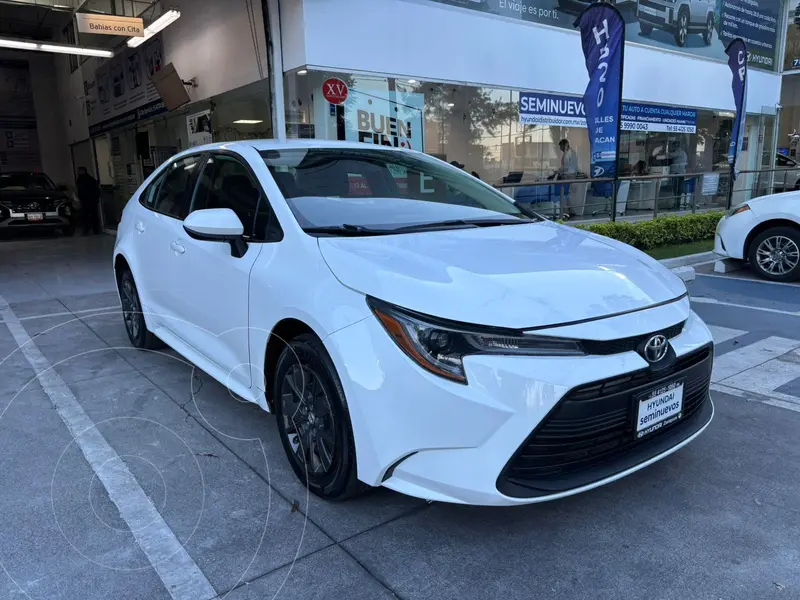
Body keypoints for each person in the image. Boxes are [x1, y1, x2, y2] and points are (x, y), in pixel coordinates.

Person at [76, 167, 101, 235]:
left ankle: (92, 230)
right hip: (87, 200)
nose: (78, 172)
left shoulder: (87, 180)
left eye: (79, 171)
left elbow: (95, 189)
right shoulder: (83, 179)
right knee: (90, 216)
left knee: (89, 216)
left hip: (89, 200)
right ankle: (94, 230)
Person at [668, 141, 688, 208]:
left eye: (673, 146)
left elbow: (670, 155)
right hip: (679, 173)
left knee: (676, 189)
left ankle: (677, 204)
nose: (672, 148)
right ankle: (677, 203)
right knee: (677, 189)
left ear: (676, 146)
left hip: (677, 173)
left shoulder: (679, 152)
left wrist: (663, 153)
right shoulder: (682, 152)